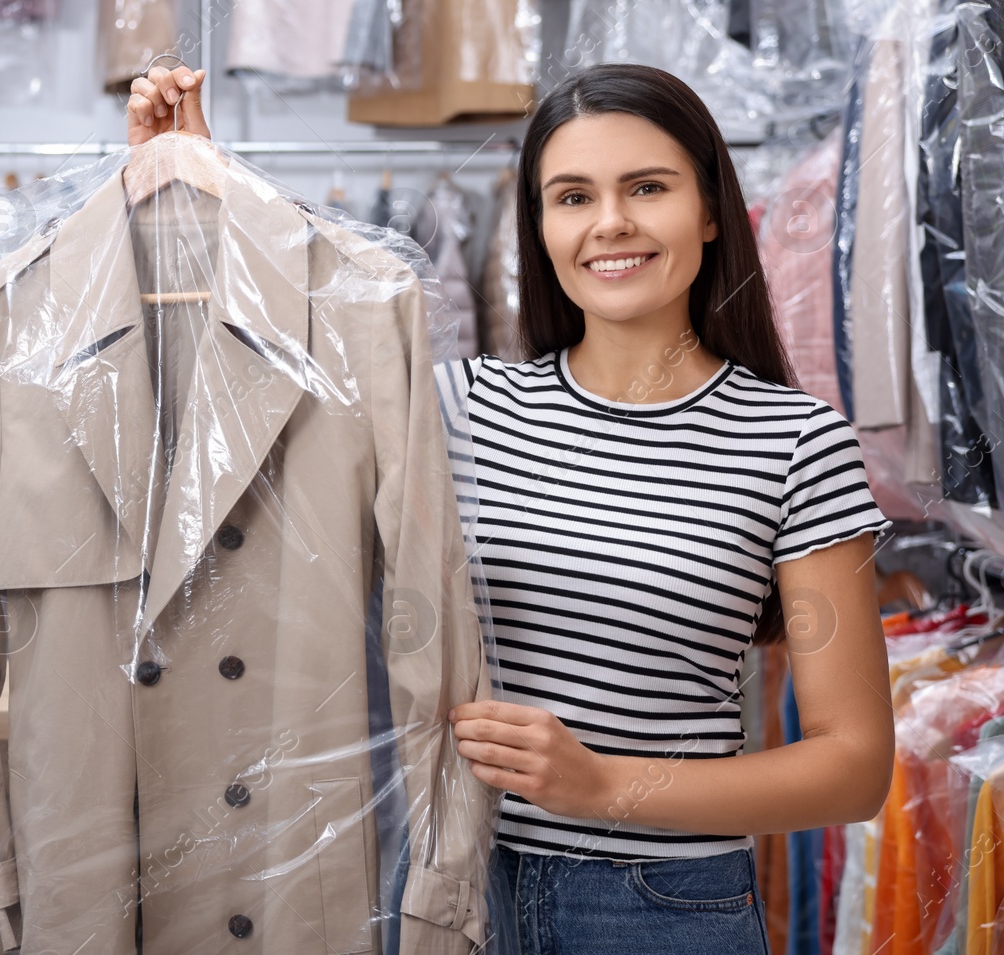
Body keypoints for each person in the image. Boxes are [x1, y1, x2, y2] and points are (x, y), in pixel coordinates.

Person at [127, 61, 895, 954]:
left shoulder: (795, 443)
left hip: (660, 906)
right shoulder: (453, 404)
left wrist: (605, 786)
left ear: (713, 210)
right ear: (538, 225)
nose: (610, 223)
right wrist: (198, 200)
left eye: (647, 187)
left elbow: (853, 766)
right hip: (449, 883)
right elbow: (242, 412)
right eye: (572, 196)